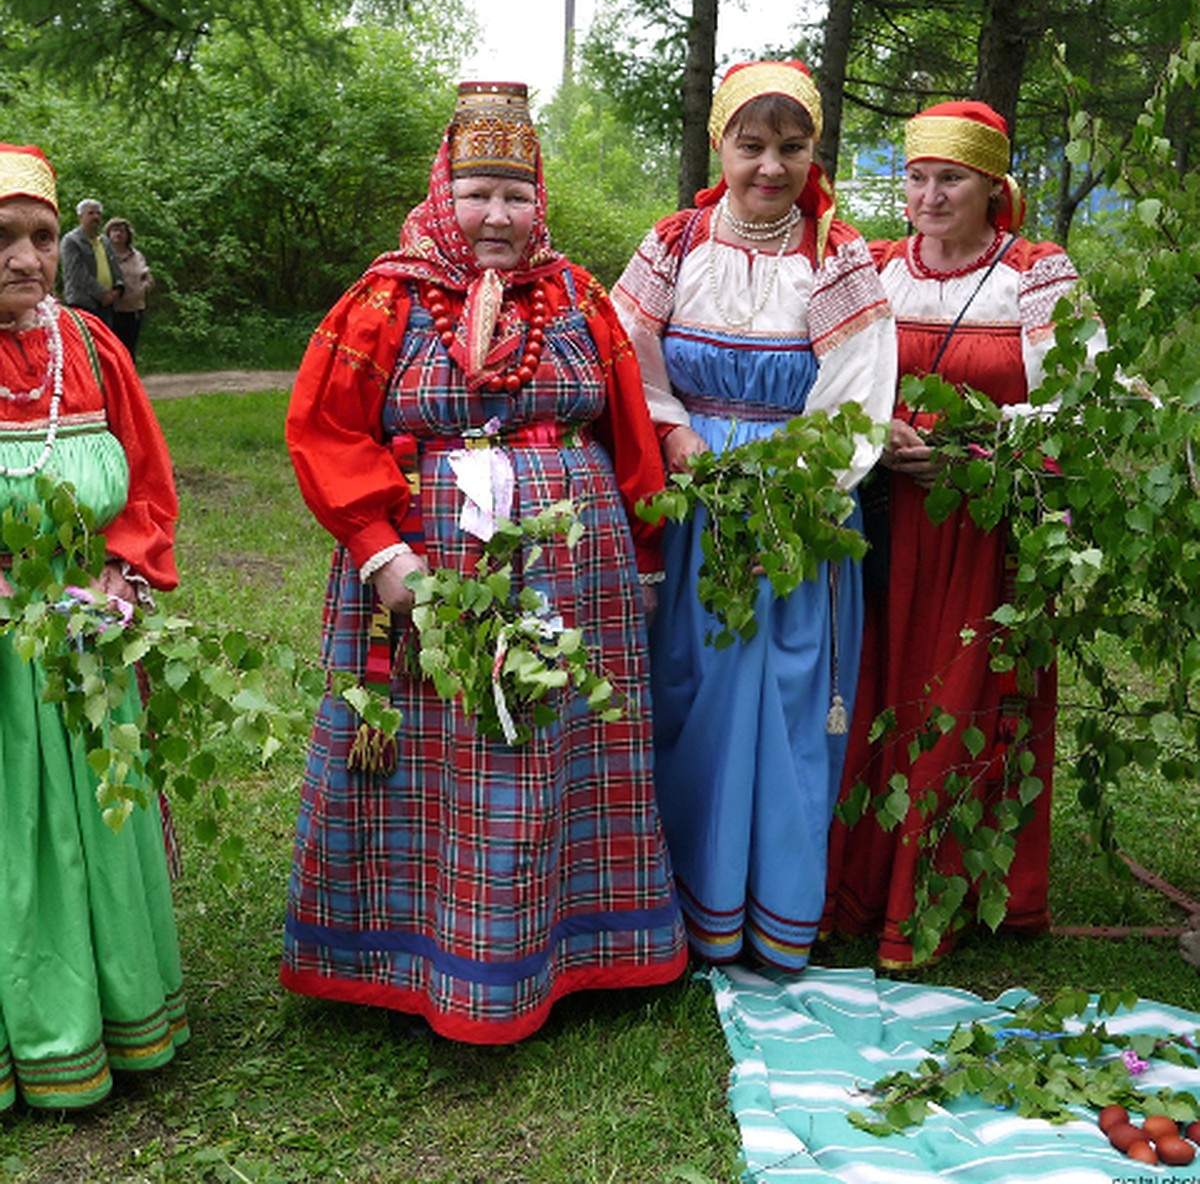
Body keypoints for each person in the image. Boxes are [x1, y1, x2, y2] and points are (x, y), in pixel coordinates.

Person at [282, 81, 687, 1044]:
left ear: (538, 197)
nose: (497, 216)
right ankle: (404, 951)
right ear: (443, 193)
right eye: (477, 195)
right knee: (435, 748)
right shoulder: (383, 298)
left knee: (552, 742)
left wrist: (643, 550)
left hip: (569, 572)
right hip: (422, 574)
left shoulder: (579, 296)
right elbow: (327, 428)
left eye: (515, 194)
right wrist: (381, 552)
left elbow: (630, 429)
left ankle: (576, 947)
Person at [612, 61, 897, 971]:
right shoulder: (673, 244)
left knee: (780, 695)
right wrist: (675, 434)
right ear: (719, 145)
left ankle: (769, 911)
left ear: (815, 153)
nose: (771, 166)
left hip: (794, 512)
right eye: (753, 145)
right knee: (688, 689)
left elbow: (858, 390)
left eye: (792, 147)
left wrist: (793, 481)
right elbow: (628, 356)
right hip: (693, 499)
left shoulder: (837, 255)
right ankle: (682, 905)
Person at [821, 101, 1106, 968]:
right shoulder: (870, 269)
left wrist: (977, 451)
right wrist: (874, 435)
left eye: (952, 178)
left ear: (992, 187)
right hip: (881, 516)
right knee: (874, 692)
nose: (931, 195)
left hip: (983, 520)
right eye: (918, 176)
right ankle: (860, 888)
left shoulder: (1037, 273)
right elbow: (825, 378)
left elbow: (1083, 398)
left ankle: (938, 894)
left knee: (961, 691)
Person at [0, 145, 186, 1109]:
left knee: (97, 823)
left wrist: (121, 576)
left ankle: (116, 1006)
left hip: (87, 634)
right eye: (2, 238)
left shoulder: (92, 346)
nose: (25, 258)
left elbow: (146, 479)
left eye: (37, 238)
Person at [60, 198, 124, 329]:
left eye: (98, 213)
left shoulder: (105, 241)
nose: (96, 217)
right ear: (80, 216)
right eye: (91, 213)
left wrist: (118, 288)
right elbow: (77, 274)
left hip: (107, 305)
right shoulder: (71, 241)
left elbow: (114, 267)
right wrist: (103, 294)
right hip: (83, 304)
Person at [104, 216, 154, 362]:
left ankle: (131, 381)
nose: (118, 234)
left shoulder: (137, 255)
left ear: (128, 234)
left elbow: (147, 276)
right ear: (108, 234)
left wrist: (144, 288)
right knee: (114, 350)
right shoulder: (105, 256)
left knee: (130, 348)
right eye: (114, 230)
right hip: (113, 310)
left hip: (135, 309)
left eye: (122, 231)